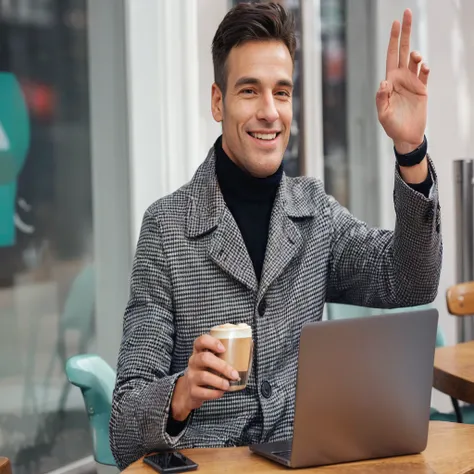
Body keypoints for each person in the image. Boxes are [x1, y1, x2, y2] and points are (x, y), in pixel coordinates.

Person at [110, 2, 442, 470]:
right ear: (218, 101)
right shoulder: (166, 228)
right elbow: (124, 423)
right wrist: (180, 393)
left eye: (282, 93)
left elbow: (410, 280)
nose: (270, 112)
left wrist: (411, 151)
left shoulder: (315, 213)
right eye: (249, 91)